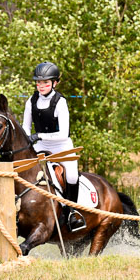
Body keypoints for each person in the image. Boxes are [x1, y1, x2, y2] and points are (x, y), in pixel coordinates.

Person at [22, 61, 86, 232]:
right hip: (40, 146)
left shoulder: (60, 102)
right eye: (38, 82)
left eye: (45, 83)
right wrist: (27, 139)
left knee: (71, 176)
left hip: (62, 146)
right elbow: (26, 127)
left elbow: (63, 133)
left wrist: (39, 135)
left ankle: (72, 213)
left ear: (54, 83)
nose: (41, 86)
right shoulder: (31, 101)